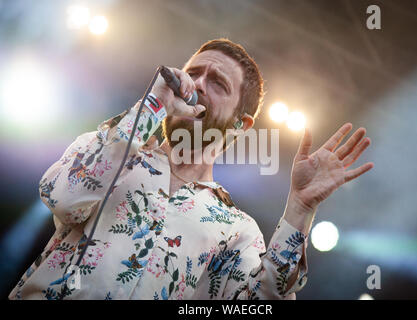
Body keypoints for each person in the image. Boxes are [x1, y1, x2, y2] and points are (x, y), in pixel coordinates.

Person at [9, 38, 373, 300]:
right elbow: (60, 195)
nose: (197, 84)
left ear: (240, 126)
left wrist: (300, 209)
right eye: (193, 73)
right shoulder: (116, 148)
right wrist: (153, 105)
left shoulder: (236, 230)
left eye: (217, 83)